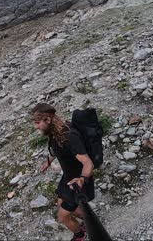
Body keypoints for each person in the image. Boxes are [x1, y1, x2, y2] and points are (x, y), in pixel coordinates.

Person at [32, 103, 94, 241]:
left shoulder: (69, 137)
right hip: (68, 177)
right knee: (60, 204)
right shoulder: (55, 133)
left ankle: (80, 234)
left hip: (77, 182)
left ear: (48, 120)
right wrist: (48, 162)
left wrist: (82, 179)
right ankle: (89, 219)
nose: (35, 127)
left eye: (37, 123)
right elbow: (56, 149)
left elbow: (88, 163)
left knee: (62, 217)